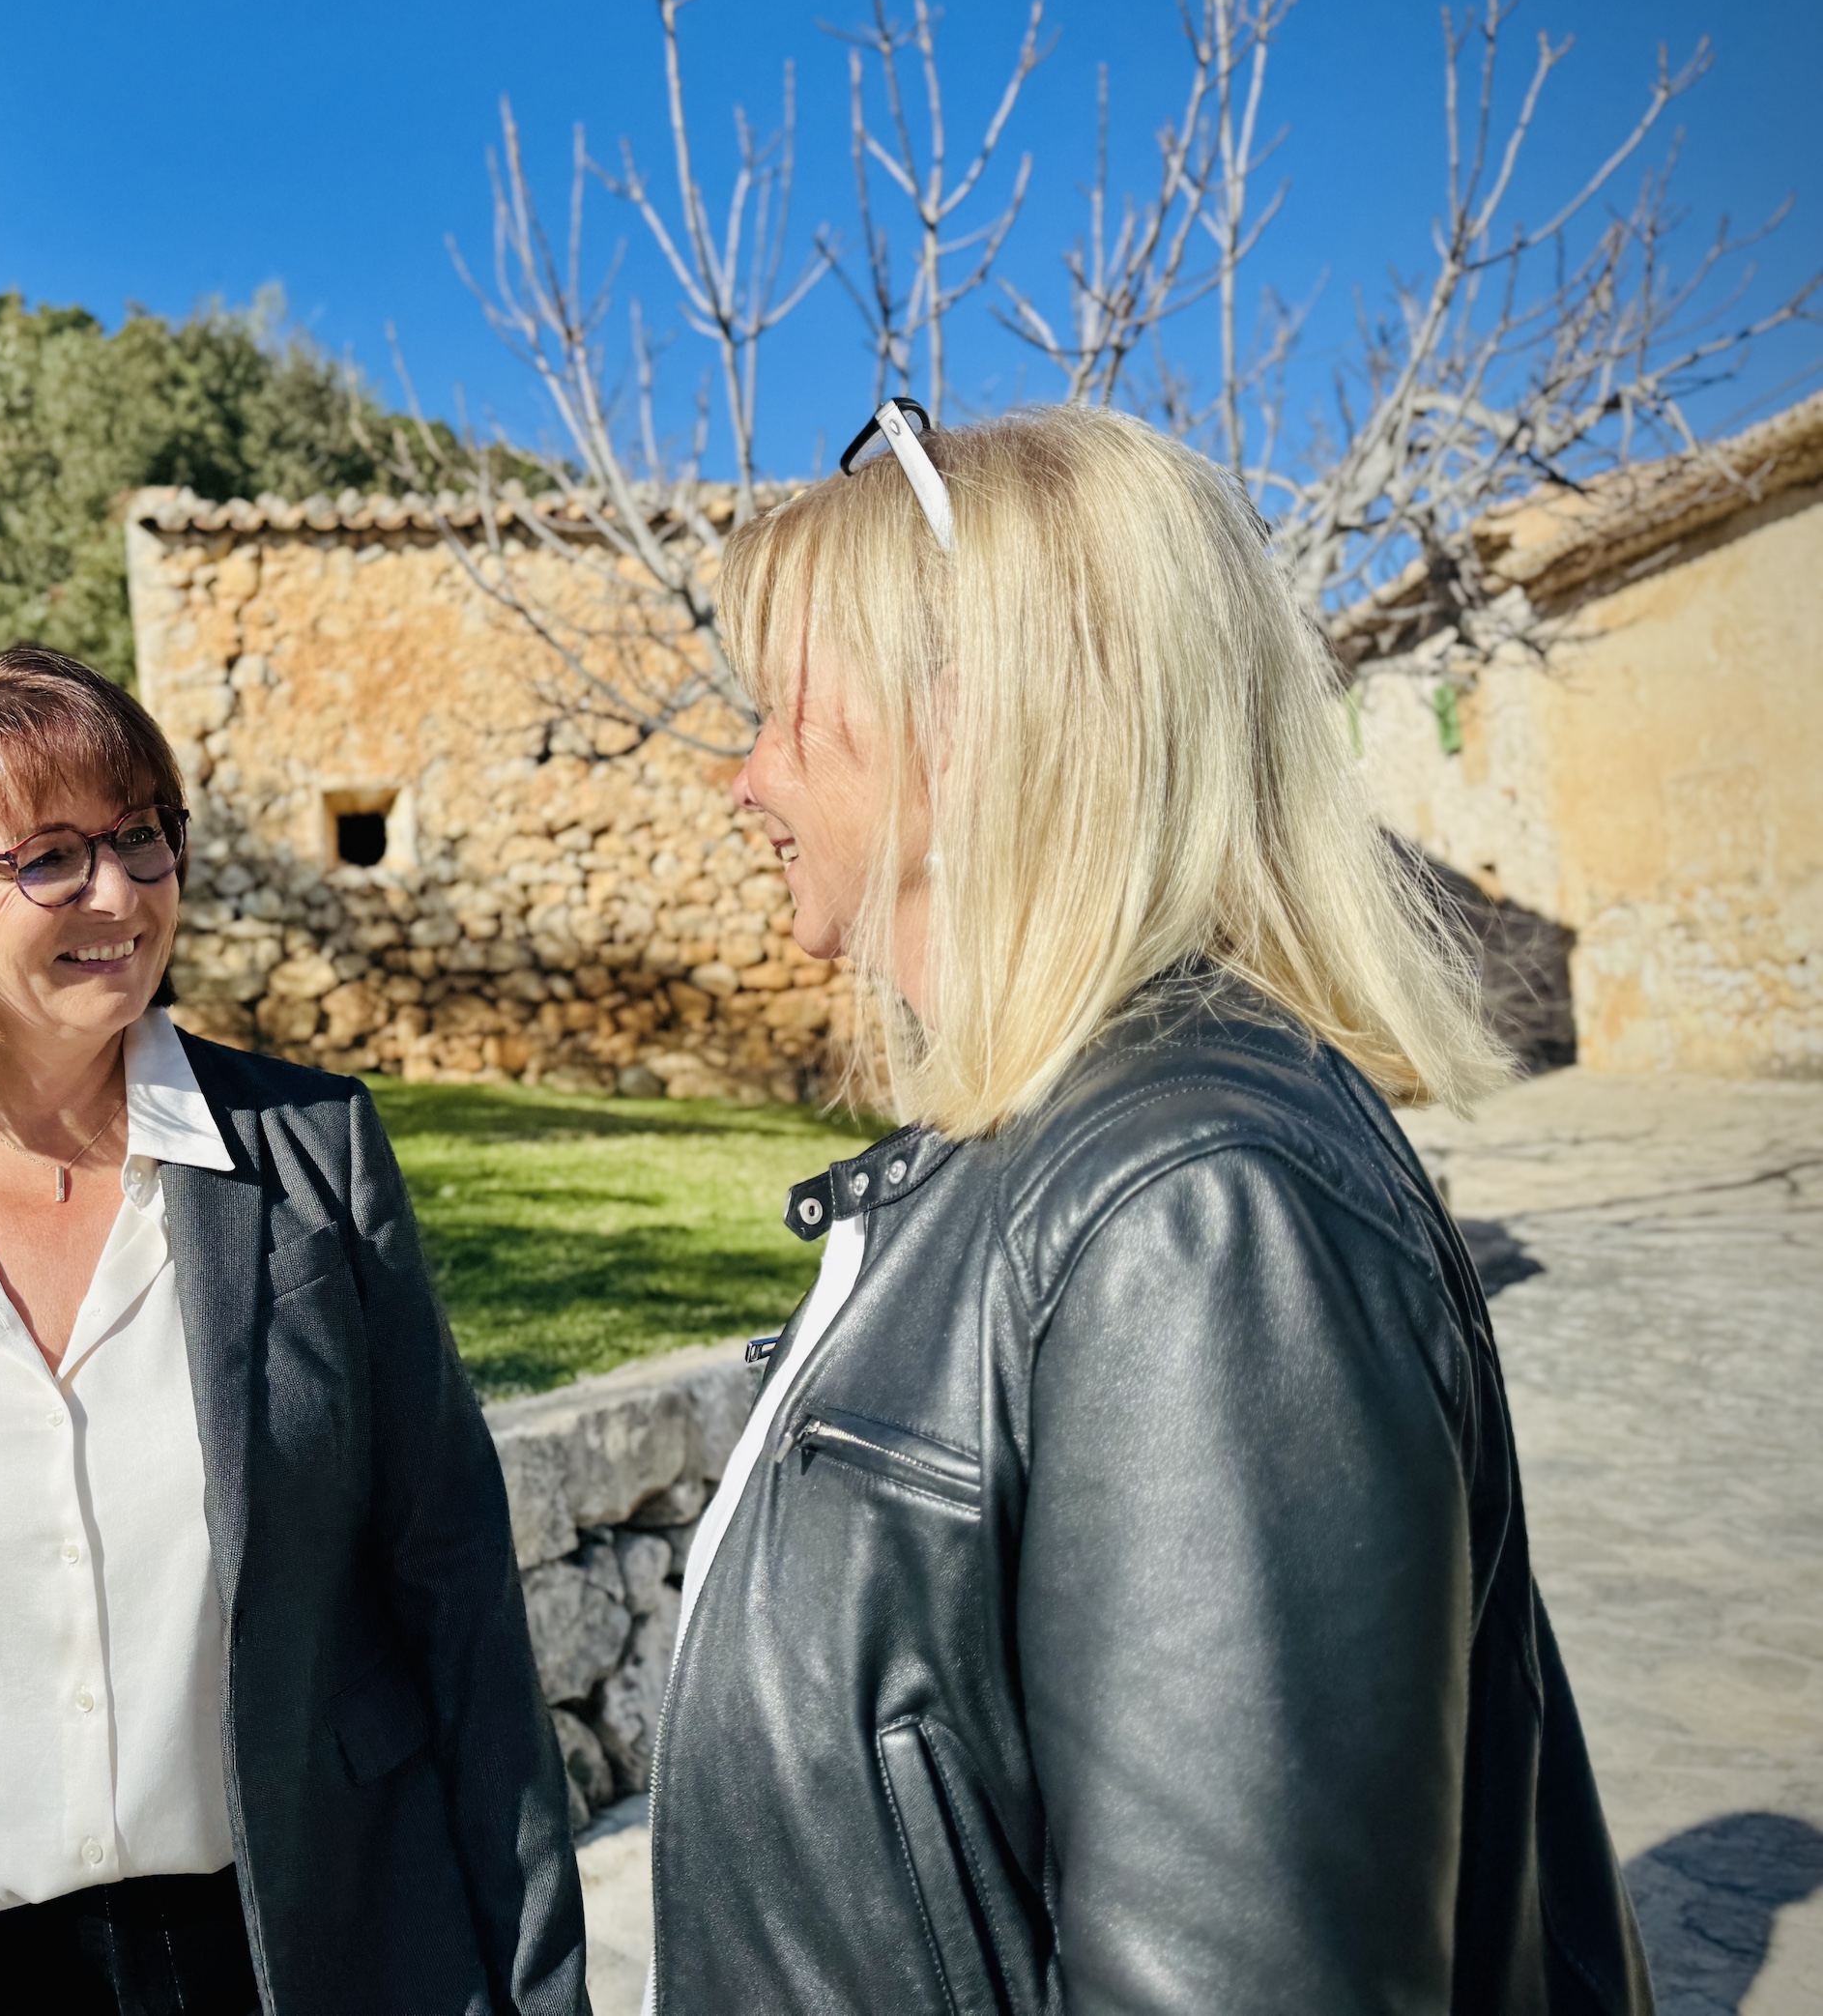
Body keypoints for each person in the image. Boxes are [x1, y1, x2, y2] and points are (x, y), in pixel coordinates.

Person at [648, 401, 1651, 2013]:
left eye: (781, 711)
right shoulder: (1046, 1155)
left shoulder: (1196, 1217)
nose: (741, 774)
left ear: (970, 719)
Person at [0, 647, 585, 2016]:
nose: (119, 893)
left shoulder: (314, 1159)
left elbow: (456, 1592)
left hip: (299, 1952)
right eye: (48, 857)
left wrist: (540, 1984)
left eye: (142, 836)